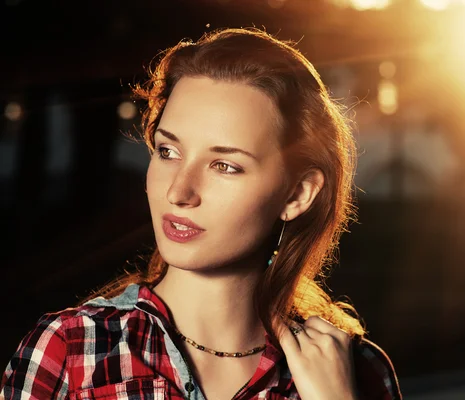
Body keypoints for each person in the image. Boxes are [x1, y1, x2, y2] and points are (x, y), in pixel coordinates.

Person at [1, 28, 402, 400]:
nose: (179, 192)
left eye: (225, 166)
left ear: (296, 194)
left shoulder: (357, 369)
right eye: (168, 152)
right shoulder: (69, 351)